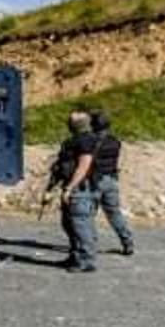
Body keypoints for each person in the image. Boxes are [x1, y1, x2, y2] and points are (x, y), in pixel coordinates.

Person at [56, 110, 100, 273]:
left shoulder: (85, 141)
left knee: (80, 225)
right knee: (70, 224)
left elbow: (83, 166)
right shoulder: (78, 140)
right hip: (77, 187)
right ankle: (76, 256)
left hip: (79, 189)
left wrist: (69, 188)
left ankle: (86, 260)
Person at [90, 110, 134, 256]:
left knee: (88, 215)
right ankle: (127, 241)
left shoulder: (91, 141)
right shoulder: (114, 141)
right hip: (110, 180)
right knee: (114, 213)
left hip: (94, 181)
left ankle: (89, 244)